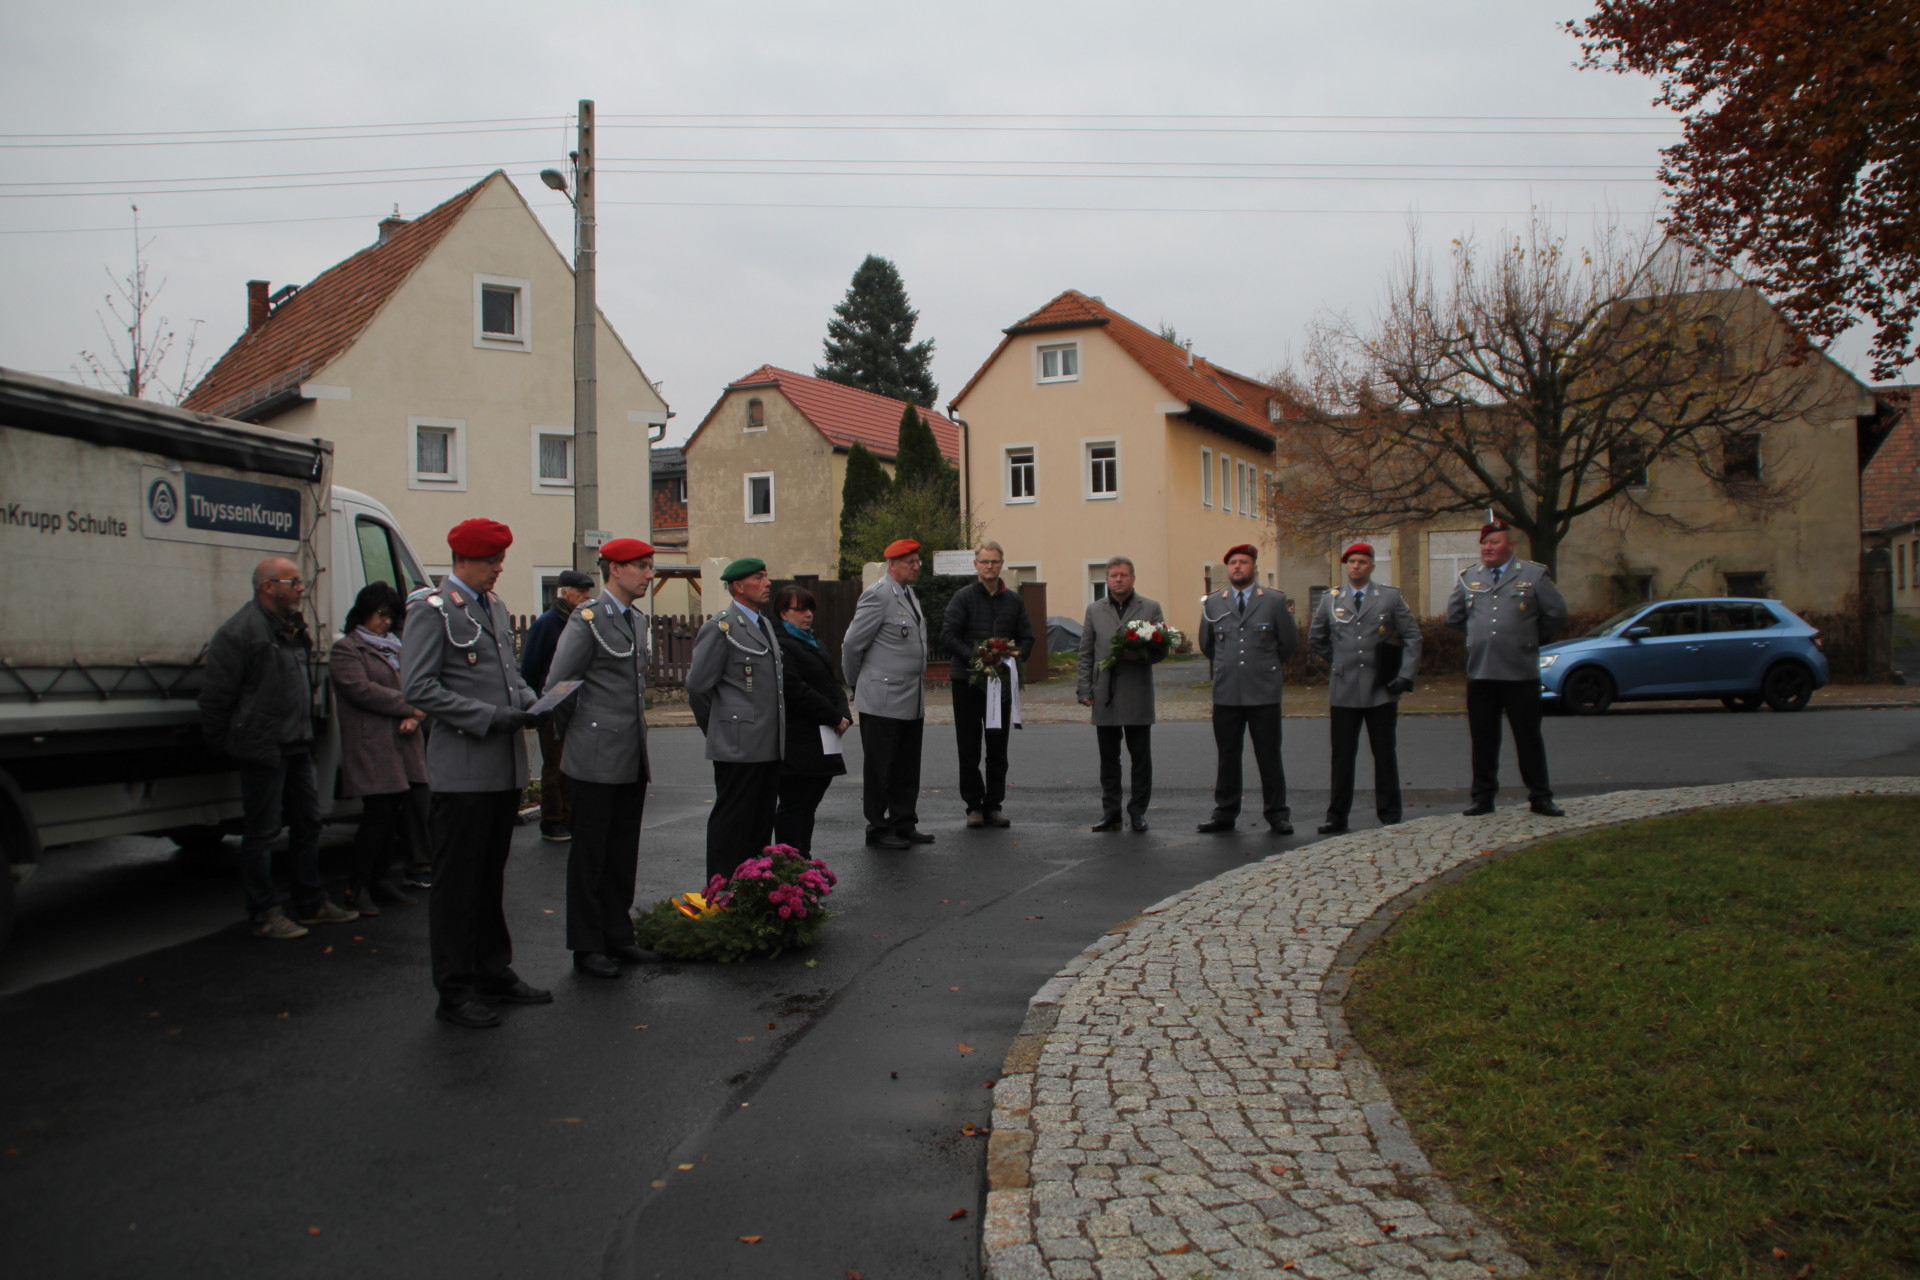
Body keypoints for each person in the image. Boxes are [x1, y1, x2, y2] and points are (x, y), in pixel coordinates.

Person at [402, 518, 550, 1030]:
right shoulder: (432, 610)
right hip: (462, 771)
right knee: (457, 884)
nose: (498, 569)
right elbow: (419, 688)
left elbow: (509, 677)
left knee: (488, 879)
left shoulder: (494, 607)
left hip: (501, 770)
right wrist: (488, 718)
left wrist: (536, 702)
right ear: (463, 560)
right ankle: (455, 986)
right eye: (491, 561)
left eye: (500, 560)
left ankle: (492, 969)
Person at [200, 556, 357, 940]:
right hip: (263, 748)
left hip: (297, 743)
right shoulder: (241, 632)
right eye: (294, 582)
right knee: (263, 832)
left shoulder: (292, 627)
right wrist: (229, 742)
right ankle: (265, 911)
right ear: (268, 587)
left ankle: (310, 902)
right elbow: (216, 697)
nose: (301, 589)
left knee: (307, 824)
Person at [543, 539, 655, 979]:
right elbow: (560, 685)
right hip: (594, 752)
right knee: (590, 853)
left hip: (630, 753)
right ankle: (586, 946)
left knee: (622, 848)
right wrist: (580, 736)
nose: (649, 574)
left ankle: (618, 934)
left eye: (650, 566)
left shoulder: (637, 620)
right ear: (615, 570)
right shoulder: (587, 619)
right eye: (641, 567)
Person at [1445, 520, 1569, 817]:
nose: (1488, 548)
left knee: (1528, 738)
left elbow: (1555, 614)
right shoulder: (1469, 577)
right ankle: (1483, 798)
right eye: (1485, 544)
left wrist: (1528, 638)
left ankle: (1540, 796)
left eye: (1495, 543)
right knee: (1483, 740)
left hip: (1520, 673)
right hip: (1482, 672)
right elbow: (1454, 616)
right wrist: (1479, 637)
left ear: (1510, 546)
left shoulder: (1533, 575)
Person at [1307, 543, 1422, 834]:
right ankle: (1337, 816)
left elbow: (1412, 636)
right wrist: (1340, 661)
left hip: (1380, 688)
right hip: (1344, 689)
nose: (1356, 566)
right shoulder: (1331, 600)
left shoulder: (1389, 597)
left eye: (1361, 561)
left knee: (1384, 753)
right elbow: (1317, 637)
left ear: (1371, 566)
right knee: (1342, 755)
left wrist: (1405, 675)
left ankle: (1390, 813)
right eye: (1351, 562)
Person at [688, 558, 786, 881]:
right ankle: (721, 890)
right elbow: (698, 686)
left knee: (760, 824)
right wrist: (719, 729)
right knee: (732, 823)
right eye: (759, 577)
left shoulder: (763, 624)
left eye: (766, 575)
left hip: (768, 743)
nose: (767, 582)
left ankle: (752, 889)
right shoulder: (721, 626)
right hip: (737, 744)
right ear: (739, 587)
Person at [330, 582, 425, 916]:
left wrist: (416, 715)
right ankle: (357, 886)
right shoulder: (347, 649)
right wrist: (409, 706)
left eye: (391, 616)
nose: (385, 622)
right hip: (371, 744)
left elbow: (422, 685)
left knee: (394, 815)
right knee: (377, 816)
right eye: (380, 615)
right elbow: (360, 690)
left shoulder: (396, 647)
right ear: (363, 612)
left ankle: (382, 881)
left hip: (401, 743)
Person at [1197, 544, 1299, 835]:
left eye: (1243, 562)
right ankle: (1225, 813)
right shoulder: (1214, 602)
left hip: (1263, 691)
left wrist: (1261, 666)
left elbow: (1288, 643)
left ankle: (1277, 814)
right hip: (1227, 692)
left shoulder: (1273, 601)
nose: (1237, 567)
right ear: (1227, 569)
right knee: (1228, 755)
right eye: (1232, 563)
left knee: (1269, 754)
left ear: (1254, 567)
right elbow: (1208, 645)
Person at [842, 539, 933, 850]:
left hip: (910, 697)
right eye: (910, 561)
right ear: (892, 564)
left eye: (917, 561)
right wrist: (859, 684)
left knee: (906, 765)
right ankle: (878, 827)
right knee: (881, 767)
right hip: (881, 698)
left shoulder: (909, 595)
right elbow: (852, 645)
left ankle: (904, 822)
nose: (917, 566)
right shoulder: (878, 595)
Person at [941, 541, 1035, 828]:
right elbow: (948, 635)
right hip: (967, 682)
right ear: (976, 565)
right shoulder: (963, 597)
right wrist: (977, 658)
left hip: (1000, 685)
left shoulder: (1014, 601)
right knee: (968, 747)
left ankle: (994, 804)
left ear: (1001, 563)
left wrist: (1013, 657)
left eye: (994, 561)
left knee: (997, 747)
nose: (989, 566)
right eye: (984, 562)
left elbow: (1028, 637)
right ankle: (973, 806)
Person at [1075, 556, 1165, 832]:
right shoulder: (1095, 609)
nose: (1118, 580)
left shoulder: (1150, 607)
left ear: (1133, 578)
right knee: (1108, 759)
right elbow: (1086, 652)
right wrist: (1084, 688)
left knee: (1141, 758)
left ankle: (1138, 812)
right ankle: (1111, 813)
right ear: (1107, 579)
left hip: (1137, 690)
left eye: (1124, 575)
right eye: (1114, 575)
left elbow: (1162, 649)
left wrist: (1138, 653)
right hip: (1106, 692)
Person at [772, 584, 851, 856]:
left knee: (810, 804)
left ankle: (803, 861)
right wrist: (832, 715)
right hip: (798, 737)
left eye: (810, 609)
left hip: (823, 737)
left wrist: (844, 714)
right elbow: (794, 688)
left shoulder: (813, 641)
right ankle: (788, 863)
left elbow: (832, 683)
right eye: (800, 609)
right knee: (794, 805)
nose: (808, 615)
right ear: (783, 613)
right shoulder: (781, 644)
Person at [520, 568, 596, 844]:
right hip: (552, 702)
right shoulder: (547, 624)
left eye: (589, 592)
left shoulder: (584, 621)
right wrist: (534, 706)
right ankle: (553, 820)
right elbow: (530, 665)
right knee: (555, 765)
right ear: (565, 592)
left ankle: (571, 815)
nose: (587, 597)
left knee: (574, 762)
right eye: (582, 592)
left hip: (578, 703)